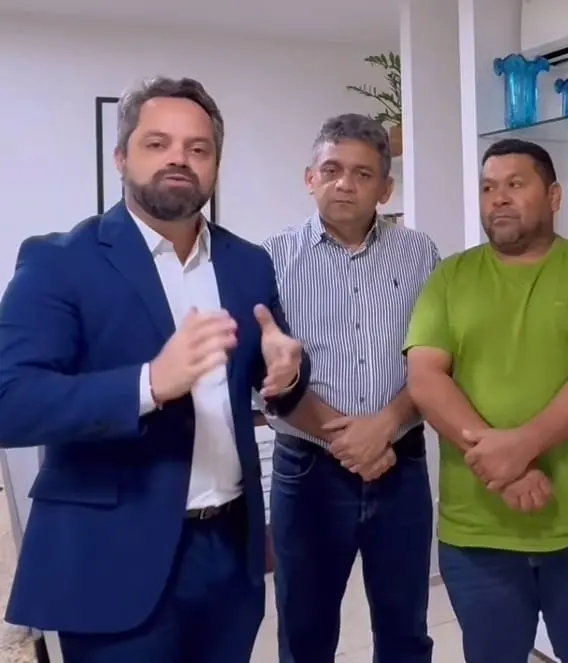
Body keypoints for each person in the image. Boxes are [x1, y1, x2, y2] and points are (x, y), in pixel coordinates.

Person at [0, 76, 316, 663]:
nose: (179, 158)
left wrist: (287, 375)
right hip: (111, 559)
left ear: (215, 164)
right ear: (121, 157)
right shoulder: (58, 261)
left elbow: (270, 387)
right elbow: (9, 400)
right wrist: (148, 384)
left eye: (198, 148)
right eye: (157, 143)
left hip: (230, 553)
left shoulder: (249, 264)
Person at [404, 139, 568, 663]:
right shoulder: (451, 277)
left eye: (515, 184)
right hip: (479, 531)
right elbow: (426, 378)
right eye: (489, 188)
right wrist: (505, 469)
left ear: (554, 196)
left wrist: (522, 446)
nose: (499, 198)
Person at [262, 114, 438, 663]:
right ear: (309, 178)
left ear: (386, 188)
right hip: (308, 471)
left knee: (405, 631)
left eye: (363, 174)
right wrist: (349, 441)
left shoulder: (420, 254)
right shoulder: (271, 259)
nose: (345, 183)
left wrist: (383, 428)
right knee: (306, 634)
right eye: (332, 169)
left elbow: (437, 361)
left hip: (400, 463)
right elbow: (263, 377)